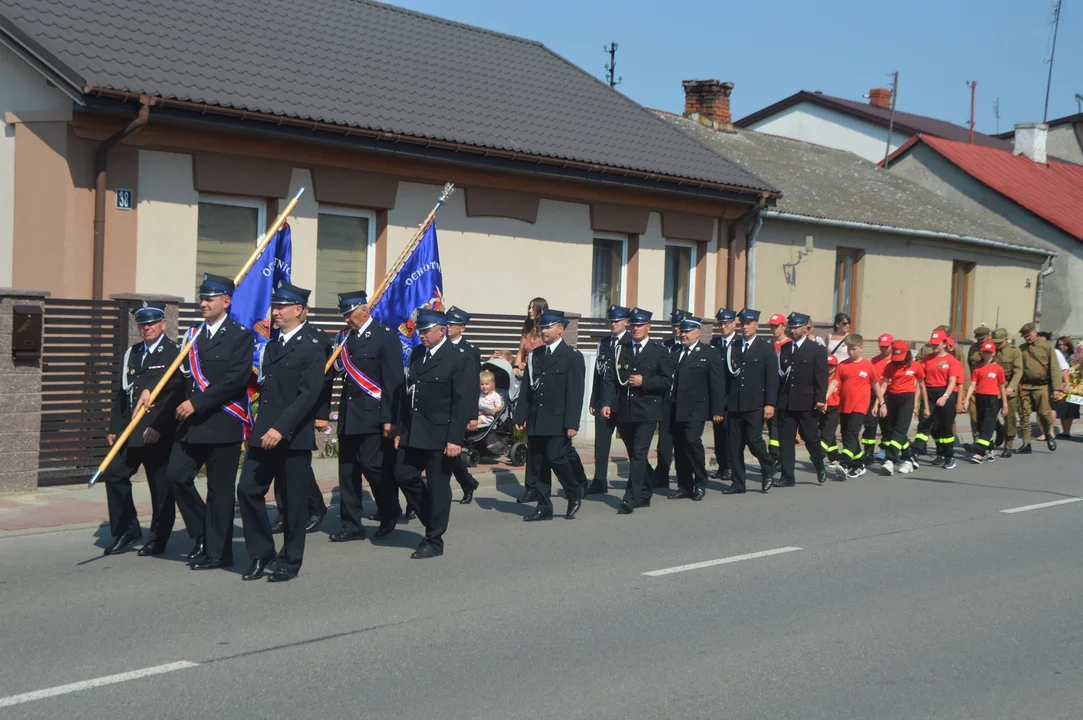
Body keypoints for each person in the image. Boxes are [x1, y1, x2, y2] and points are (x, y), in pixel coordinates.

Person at [235, 282, 326, 582]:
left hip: (292, 435)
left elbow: (308, 395)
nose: (274, 312)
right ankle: (262, 553)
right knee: (248, 490)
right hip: (265, 433)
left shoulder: (312, 345)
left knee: (293, 502)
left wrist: (281, 427)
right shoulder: (273, 345)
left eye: (280, 307)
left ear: (298, 310)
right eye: (274, 307)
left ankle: (290, 560)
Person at [167, 273, 256, 570]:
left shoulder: (240, 336)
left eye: (209, 298)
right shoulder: (192, 335)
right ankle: (203, 534)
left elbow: (235, 381)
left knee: (219, 492)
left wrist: (197, 403)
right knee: (176, 476)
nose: (203, 303)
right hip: (191, 426)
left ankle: (218, 553)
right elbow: (179, 377)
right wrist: (150, 392)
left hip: (222, 423)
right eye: (202, 298)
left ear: (226, 301)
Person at [101, 302, 184, 556]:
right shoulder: (132, 353)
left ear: (163, 324)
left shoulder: (174, 353)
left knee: (160, 489)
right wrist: (115, 426)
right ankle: (127, 529)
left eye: (152, 322)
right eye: (142, 323)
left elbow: (177, 396)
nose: (146, 327)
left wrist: (160, 426)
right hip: (132, 431)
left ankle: (158, 538)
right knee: (114, 474)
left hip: (159, 432)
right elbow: (123, 394)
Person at [394, 309, 473, 558]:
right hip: (414, 429)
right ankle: (431, 516)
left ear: (442, 330)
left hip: (441, 433)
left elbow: (462, 401)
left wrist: (454, 438)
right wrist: (399, 429)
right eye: (420, 331)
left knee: (439, 485)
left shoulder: (459, 357)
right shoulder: (418, 354)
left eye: (426, 331)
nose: (422, 335)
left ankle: (434, 540)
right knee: (403, 475)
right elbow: (408, 395)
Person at [330, 290, 406, 543]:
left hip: (373, 415)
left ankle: (389, 512)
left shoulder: (385, 337)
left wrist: (390, 419)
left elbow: (393, 380)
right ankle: (351, 524)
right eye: (344, 315)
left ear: (364, 309)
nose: (346, 320)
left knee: (375, 469)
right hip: (349, 415)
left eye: (349, 314)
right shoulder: (344, 338)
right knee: (347, 472)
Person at [514, 309, 586, 521]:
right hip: (537, 417)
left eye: (548, 327)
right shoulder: (536, 354)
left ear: (560, 329)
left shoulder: (572, 356)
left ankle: (574, 492)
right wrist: (521, 415)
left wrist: (572, 423)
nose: (543, 331)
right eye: (541, 327)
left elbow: (575, 392)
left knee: (556, 457)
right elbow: (527, 388)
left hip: (558, 418)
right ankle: (544, 506)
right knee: (538, 465)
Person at [599, 308, 673, 513]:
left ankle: (630, 497)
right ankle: (645, 492)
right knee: (634, 455)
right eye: (633, 325)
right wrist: (606, 403)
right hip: (625, 410)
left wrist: (645, 381)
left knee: (640, 454)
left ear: (648, 327)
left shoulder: (659, 351)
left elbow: (667, 380)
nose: (636, 328)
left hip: (648, 412)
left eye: (640, 325)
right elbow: (610, 379)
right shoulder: (621, 349)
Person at [271, 311, 330, 536]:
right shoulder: (276, 338)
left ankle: (315, 507)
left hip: (303, 408)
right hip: (279, 408)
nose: (277, 311)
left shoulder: (315, 338)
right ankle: (283, 511)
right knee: (278, 462)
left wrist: (322, 412)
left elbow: (324, 378)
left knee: (297, 463)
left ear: (301, 310)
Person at [667, 316, 726, 501]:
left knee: (692, 441)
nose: (683, 334)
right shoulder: (675, 351)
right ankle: (684, 485)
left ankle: (701, 480)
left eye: (687, 331)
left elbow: (717, 384)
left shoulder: (709, 353)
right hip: (676, 407)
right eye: (682, 331)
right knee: (680, 446)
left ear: (697, 333)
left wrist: (718, 410)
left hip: (697, 407)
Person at [723, 309, 778, 494]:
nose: (745, 327)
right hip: (734, 403)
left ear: (756, 325)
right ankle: (738, 483)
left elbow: (772, 378)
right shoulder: (734, 346)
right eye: (742, 324)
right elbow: (726, 377)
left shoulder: (765, 347)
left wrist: (770, 403)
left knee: (754, 440)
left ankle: (768, 466)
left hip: (755, 403)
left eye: (748, 323)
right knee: (734, 445)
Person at [775, 312, 829, 486]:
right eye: (791, 326)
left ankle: (819, 463)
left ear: (805, 328)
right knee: (786, 439)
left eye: (796, 326)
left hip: (807, 402)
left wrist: (821, 399)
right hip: (787, 401)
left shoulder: (816, 350)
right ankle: (787, 476)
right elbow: (780, 376)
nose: (793, 329)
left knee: (810, 437)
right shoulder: (785, 348)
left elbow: (821, 376)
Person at [586, 305, 631, 495]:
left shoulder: (630, 342)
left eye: (618, 320)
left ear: (626, 322)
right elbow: (599, 374)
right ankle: (599, 480)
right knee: (602, 444)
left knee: (632, 443)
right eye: (611, 320)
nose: (614, 324)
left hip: (622, 403)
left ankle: (644, 476)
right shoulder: (604, 343)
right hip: (602, 401)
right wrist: (593, 399)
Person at [827, 335, 885, 479]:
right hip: (845, 406)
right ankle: (859, 465)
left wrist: (881, 403)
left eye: (853, 349)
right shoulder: (842, 365)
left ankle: (845, 463)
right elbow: (834, 383)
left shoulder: (868, 366)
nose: (850, 352)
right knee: (847, 435)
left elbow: (876, 385)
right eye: (848, 349)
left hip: (860, 407)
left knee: (852, 434)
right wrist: (825, 398)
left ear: (861, 349)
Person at [648, 309, 688, 489]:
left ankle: (686, 477)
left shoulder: (696, 347)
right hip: (666, 399)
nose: (677, 330)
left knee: (685, 441)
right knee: (664, 439)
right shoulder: (665, 346)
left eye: (680, 326)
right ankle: (662, 473)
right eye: (674, 326)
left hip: (685, 401)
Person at [446, 306, 482, 504]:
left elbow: (472, 385)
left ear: (463, 328)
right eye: (447, 323)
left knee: (452, 452)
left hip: (461, 410)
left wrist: (472, 415)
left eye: (453, 324)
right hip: (443, 408)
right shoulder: (440, 346)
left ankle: (467, 483)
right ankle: (468, 482)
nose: (449, 327)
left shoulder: (470, 351)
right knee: (447, 454)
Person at [878, 340, 927, 475]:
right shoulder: (890, 366)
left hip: (908, 398)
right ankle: (908, 459)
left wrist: (924, 406)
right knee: (893, 429)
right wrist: (879, 402)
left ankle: (890, 460)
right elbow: (884, 385)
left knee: (900, 430)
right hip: (893, 398)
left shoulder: (916, 366)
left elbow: (922, 386)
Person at [918, 330, 963, 469]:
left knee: (945, 427)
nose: (934, 347)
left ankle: (949, 456)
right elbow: (921, 381)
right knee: (928, 424)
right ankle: (939, 452)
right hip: (930, 392)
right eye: (932, 344)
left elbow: (952, 381)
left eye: (937, 344)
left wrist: (945, 397)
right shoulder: (927, 359)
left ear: (944, 343)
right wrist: (919, 401)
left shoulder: (951, 361)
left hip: (946, 393)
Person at [960, 340, 1008, 464]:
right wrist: (966, 400)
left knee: (987, 425)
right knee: (981, 425)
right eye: (984, 352)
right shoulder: (978, 368)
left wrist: (1005, 405)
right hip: (980, 398)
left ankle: (979, 452)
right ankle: (991, 450)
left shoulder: (998, 369)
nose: (986, 354)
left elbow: (1002, 387)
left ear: (993, 353)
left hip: (992, 399)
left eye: (988, 352)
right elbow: (972, 385)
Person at [1017, 322, 1063, 453]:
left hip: (1042, 386)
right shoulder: (1021, 349)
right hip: (1025, 386)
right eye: (1024, 336)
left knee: (1044, 413)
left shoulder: (1047, 347)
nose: (1027, 338)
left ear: (1035, 333)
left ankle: (1048, 433)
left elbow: (1054, 368)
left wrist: (1057, 389)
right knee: (1024, 415)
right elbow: (1019, 369)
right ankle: (1026, 443)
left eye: (1029, 335)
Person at [709, 308, 738, 481]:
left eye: (726, 323)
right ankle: (721, 466)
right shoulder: (714, 344)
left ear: (734, 324)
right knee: (718, 432)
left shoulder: (738, 343)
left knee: (730, 432)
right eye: (721, 323)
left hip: (733, 395)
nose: (723, 326)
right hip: (717, 395)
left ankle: (730, 465)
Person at [861, 333, 894, 467]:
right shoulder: (874, 361)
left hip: (888, 395)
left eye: (886, 347)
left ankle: (885, 449)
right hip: (874, 394)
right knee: (869, 423)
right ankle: (868, 452)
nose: (883, 350)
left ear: (891, 345)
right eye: (881, 347)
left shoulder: (895, 361)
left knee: (886, 425)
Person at [992, 327, 1023, 457]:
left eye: (999, 341)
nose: (997, 344)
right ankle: (998, 430)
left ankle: (1008, 444)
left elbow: (1018, 371)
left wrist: (1012, 386)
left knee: (1009, 417)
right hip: (993, 388)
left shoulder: (1014, 352)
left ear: (1006, 339)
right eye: (995, 341)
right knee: (990, 415)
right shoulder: (991, 350)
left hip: (1008, 388)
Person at [766, 313, 790, 470]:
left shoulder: (789, 345)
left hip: (784, 391)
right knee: (772, 424)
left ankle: (782, 456)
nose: (774, 329)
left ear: (784, 326)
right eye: (772, 326)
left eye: (777, 326)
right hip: (770, 390)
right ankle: (774, 456)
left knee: (781, 424)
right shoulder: (768, 345)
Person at [967, 325, 993, 439]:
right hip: (975, 385)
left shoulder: (994, 347)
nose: (979, 341)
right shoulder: (973, 348)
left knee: (988, 415)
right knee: (973, 414)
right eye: (978, 339)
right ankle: (976, 439)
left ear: (989, 336)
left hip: (989, 386)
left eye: (982, 339)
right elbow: (968, 365)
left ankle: (989, 439)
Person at [510, 297, 547, 376]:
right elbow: (520, 353)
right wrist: (515, 369)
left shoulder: (546, 332)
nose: (530, 311)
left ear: (540, 310)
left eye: (533, 308)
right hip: (524, 372)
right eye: (529, 308)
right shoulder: (527, 331)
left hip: (540, 372)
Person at [819, 356, 841, 470]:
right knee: (828, 434)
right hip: (821, 409)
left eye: (831, 365)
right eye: (827, 365)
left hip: (834, 409)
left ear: (836, 367)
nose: (829, 368)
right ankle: (834, 458)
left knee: (827, 433)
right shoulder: (821, 379)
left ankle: (819, 453)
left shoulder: (838, 381)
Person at [1053, 335, 1076, 438]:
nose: (1062, 347)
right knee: (1062, 407)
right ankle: (1064, 430)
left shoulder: (1074, 357)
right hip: (1060, 385)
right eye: (1059, 345)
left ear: (1068, 345)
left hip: (1074, 385)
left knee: (1071, 408)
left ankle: (1067, 431)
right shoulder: (1055, 355)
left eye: (1064, 345)